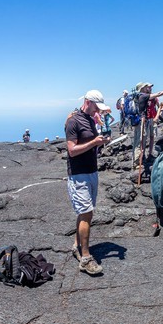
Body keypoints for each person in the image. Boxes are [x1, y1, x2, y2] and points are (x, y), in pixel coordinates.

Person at [65, 91, 109, 275]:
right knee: (86, 213)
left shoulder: (91, 119)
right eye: (96, 107)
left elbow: (91, 142)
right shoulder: (73, 121)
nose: (97, 110)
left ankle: (76, 246)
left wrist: (101, 142)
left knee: (86, 213)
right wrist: (94, 143)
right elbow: (72, 150)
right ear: (88, 102)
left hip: (91, 171)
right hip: (79, 174)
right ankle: (85, 258)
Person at [133, 82, 163, 183]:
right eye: (146, 87)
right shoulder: (143, 96)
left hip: (144, 120)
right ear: (142, 88)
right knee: (140, 141)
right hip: (142, 120)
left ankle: (141, 159)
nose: (148, 88)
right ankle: (137, 163)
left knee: (142, 140)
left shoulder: (139, 96)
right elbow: (159, 94)